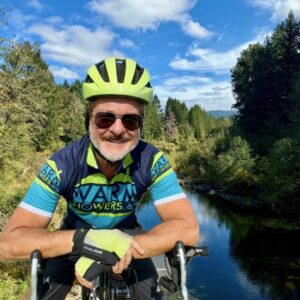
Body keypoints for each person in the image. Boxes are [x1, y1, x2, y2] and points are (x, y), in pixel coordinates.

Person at [0, 57, 199, 299]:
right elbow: (8, 243)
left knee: (150, 294)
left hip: (128, 235)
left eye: (130, 120)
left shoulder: (152, 160)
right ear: (88, 121)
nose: (117, 129)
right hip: (76, 235)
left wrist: (123, 249)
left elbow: (187, 227)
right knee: (38, 294)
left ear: (140, 126)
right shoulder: (63, 164)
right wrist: (85, 241)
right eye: (105, 118)